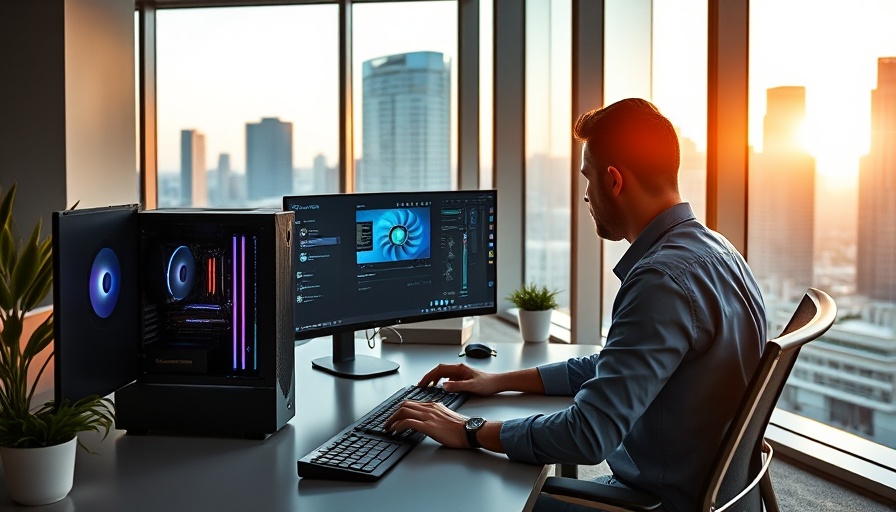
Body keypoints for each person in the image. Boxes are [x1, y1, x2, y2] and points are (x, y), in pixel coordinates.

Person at [385, 98, 767, 512]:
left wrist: (472, 429)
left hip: (658, 503)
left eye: (588, 178)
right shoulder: (720, 252)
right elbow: (615, 366)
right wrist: (498, 380)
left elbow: (588, 434)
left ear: (615, 181)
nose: (586, 195)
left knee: (476, 498)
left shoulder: (660, 281)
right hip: (714, 496)